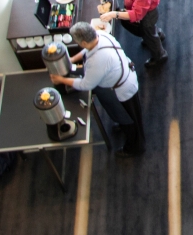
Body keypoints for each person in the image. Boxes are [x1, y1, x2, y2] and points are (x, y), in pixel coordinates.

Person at [50, 22, 144, 157]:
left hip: (123, 90)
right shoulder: (100, 35)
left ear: (82, 42)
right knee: (126, 116)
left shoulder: (98, 61)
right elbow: (86, 50)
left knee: (130, 120)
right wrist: (71, 60)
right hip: (124, 76)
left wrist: (61, 80)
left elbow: (85, 85)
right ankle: (123, 126)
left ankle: (135, 147)